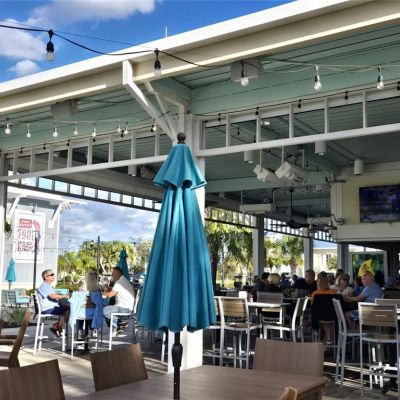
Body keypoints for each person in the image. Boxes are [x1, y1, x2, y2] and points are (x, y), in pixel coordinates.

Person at [37, 269, 70, 337]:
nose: (53, 276)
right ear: (46, 277)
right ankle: (57, 327)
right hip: (48, 308)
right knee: (69, 310)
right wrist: (65, 296)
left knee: (66, 308)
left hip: (51, 307)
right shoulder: (44, 286)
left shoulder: (48, 286)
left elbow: (54, 295)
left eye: (53, 274)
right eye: (51, 275)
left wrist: (61, 296)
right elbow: (52, 296)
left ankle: (57, 326)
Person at [102, 267, 135, 333]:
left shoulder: (120, 282)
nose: (112, 275)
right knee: (105, 310)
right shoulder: (123, 280)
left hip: (124, 308)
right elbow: (113, 292)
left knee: (102, 311)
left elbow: (110, 294)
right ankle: (117, 327)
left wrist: (100, 293)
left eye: (113, 273)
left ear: (117, 274)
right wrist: (107, 288)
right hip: (126, 307)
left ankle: (120, 324)